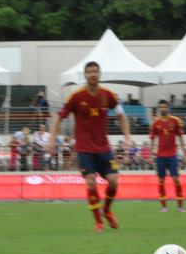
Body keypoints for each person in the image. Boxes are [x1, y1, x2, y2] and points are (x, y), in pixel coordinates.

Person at [48, 61, 132, 231]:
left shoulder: (108, 95)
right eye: (89, 72)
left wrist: (127, 138)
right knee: (91, 183)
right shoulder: (76, 96)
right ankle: (98, 223)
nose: (92, 74)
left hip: (104, 148)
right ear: (85, 75)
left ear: (99, 74)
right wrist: (52, 140)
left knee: (114, 182)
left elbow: (122, 116)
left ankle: (107, 211)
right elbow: (58, 117)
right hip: (84, 149)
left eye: (95, 72)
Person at [149, 99, 186, 212]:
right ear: (159, 108)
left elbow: (180, 136)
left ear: (168, 107)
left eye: (164, 106)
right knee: (161, 180)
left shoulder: (175, 121)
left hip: (172, 155)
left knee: (176, 179)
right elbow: (152, 139)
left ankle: (180, 206)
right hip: (160, 155)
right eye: (161, 107)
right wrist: (151, 154)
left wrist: (184, 151)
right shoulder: (155, 122)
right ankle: (164, 206)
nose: (163, 109)